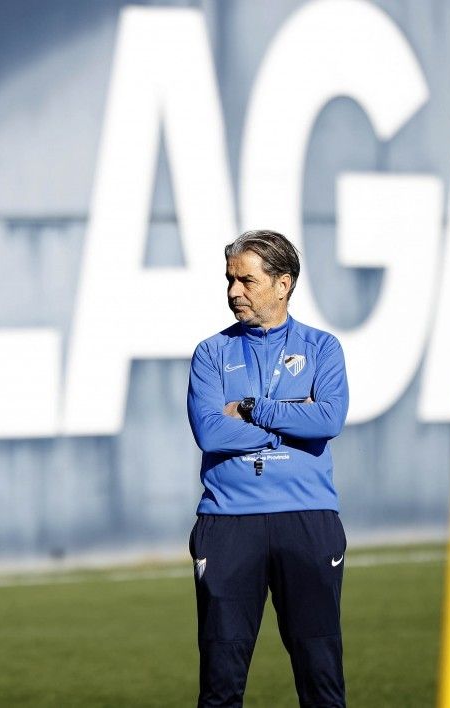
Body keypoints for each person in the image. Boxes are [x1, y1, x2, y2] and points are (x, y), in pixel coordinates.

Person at [186, 229, 349, 707]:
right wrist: (293, 417)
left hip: (308, 519)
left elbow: (329, 419)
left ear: (284, 283)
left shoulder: (322, 348)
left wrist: (253, 408)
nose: (235, 292)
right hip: (228, 523)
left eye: (247, 281)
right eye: (230, 280)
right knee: (220, 683)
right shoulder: (211, 352)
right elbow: (211, 433)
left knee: (321, 679)